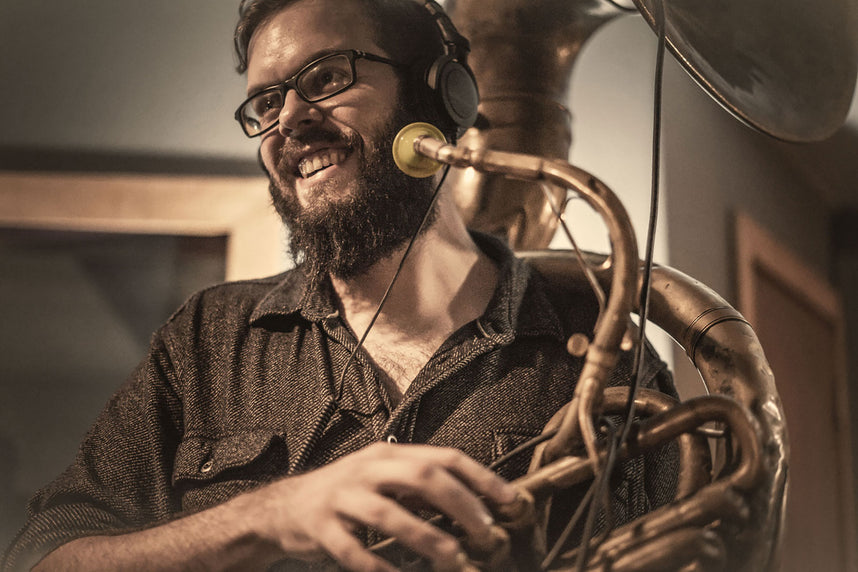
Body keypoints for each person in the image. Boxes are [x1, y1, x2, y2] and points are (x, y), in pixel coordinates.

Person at [2, 0, 677, 570]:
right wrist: (264, 517)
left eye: (326, 77)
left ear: (438, 96)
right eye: (266, 102)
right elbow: (42, 558)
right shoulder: (206, 338)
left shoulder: (600, 338)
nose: (288, 120)